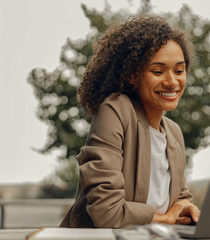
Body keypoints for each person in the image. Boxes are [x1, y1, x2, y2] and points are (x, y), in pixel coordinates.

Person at [60, 16, 200, 228]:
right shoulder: (115, 110)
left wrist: (186, 207)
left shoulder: (174, 132)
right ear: (132, 76)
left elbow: (179, 196)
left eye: (179, 71)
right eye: (158, 71)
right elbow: (106, 212)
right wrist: (166, 219)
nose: (172, 82)